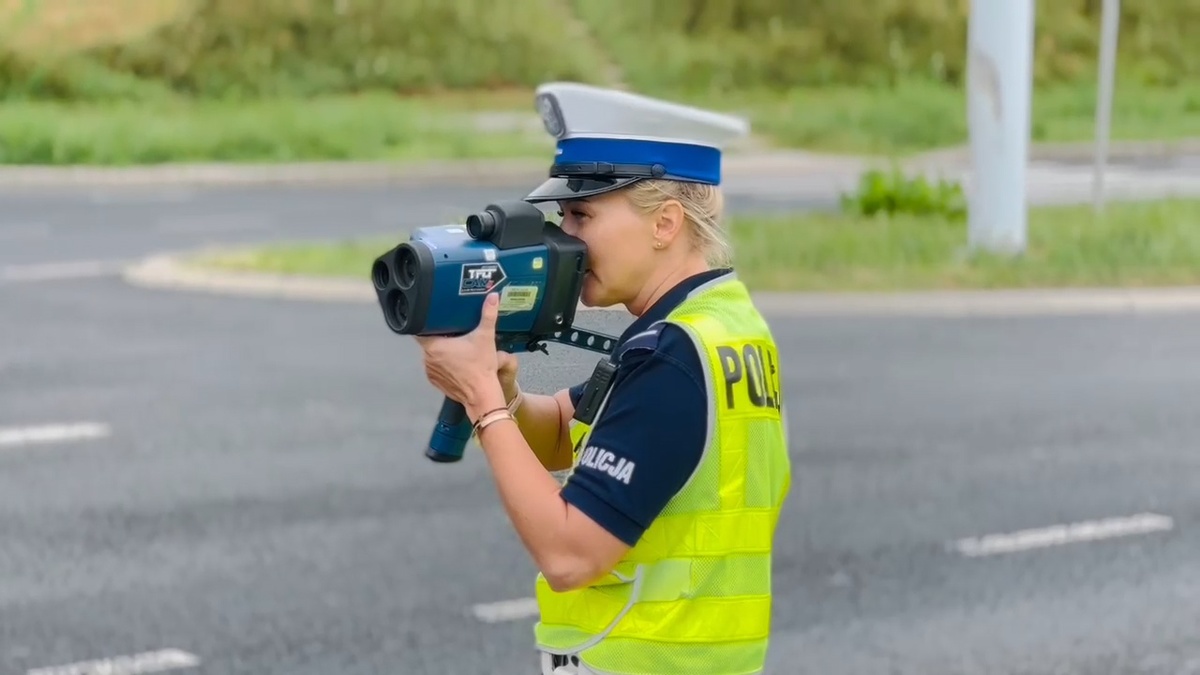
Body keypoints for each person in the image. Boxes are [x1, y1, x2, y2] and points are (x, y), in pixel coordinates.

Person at [415, 82, 792, 675]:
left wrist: (483, 403)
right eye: (562, 214)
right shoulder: (715, 322)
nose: (564, 236)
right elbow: (572, 433)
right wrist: (507, 393)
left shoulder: (673, 356)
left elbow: (569, 555)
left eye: (582, 214)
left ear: (665, 223)